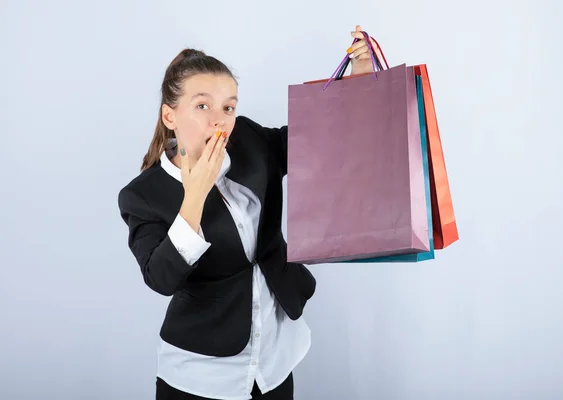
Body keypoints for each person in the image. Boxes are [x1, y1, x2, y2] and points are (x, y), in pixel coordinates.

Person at [117, 25, 381, 400]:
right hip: (200, 375)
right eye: (202, 105)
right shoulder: (142, 195)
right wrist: (194, 196)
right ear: (170, 116)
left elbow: (316, 141)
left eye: (229, 107)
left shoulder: (249, 141)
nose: (219, 120)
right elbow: (161, 279)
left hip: (274, 364)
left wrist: (360, 79)